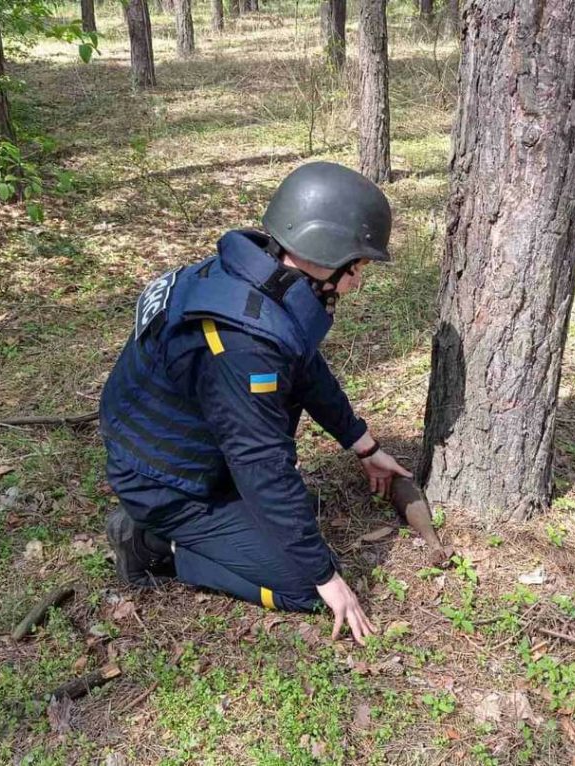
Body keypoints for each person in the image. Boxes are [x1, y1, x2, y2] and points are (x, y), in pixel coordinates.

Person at [99, 161, 412, 645]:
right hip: (163, 483)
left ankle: (221, 523)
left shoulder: (261, 277)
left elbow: (304, 366)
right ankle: (150, 540)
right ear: (324, 250)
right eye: (359, 264)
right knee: (302, 584)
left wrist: (364, 445)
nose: (359, 278)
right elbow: (261, 462)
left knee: (295, 514)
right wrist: (325, 578)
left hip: (186, 452)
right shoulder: (243, 342)